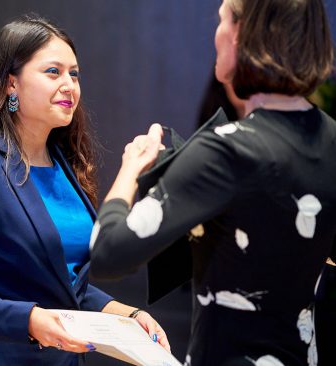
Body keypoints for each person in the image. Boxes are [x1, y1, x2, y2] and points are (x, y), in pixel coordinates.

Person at [0, 14, 169, 366]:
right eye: (53, 72)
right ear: (11, 84)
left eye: (74, 74)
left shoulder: (66, 165)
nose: (69, 85)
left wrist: (127, 314)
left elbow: (61, 284)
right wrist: (27, 319)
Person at [89, 1, 335, 365]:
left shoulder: (227, 149)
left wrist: (132, 165)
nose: (215, 34)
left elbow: (108, 252)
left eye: (220, 20)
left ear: (240, 34)